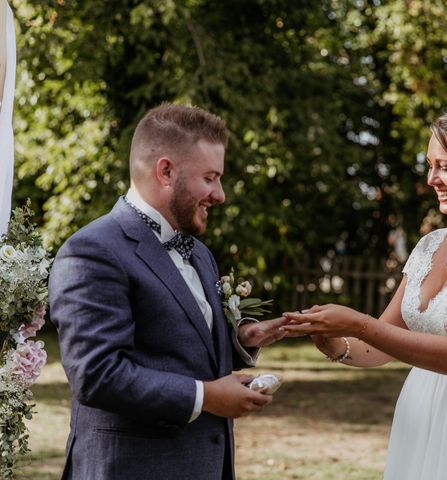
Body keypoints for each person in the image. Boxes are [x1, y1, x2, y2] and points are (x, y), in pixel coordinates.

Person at [284, 101, 447, 479]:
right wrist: (333, 343)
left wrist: (358, 323)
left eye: (445, 167)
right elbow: (381, 342)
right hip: (421, 414)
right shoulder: (431, 245)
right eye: (430, 165)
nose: (431, 179)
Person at [48, 103, 289, 480]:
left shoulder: (201, 254)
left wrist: (241, 339)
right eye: (210, 178)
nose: (220, 194)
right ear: (166, 171)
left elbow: (177, 341)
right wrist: (207, 397)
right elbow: (96, 374)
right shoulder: (92, 251)